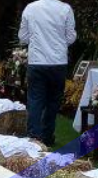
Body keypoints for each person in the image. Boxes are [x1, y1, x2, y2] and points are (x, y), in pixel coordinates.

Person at [18, 0, 76, 146]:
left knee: (35, 101)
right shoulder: (65, 9)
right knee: (53, 102)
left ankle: (34, 138)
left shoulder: (30, 8)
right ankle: (48, 137)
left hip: (37, 61)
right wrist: (57, 42)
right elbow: (70, 37)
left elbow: (23, 38)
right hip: (58, 62)